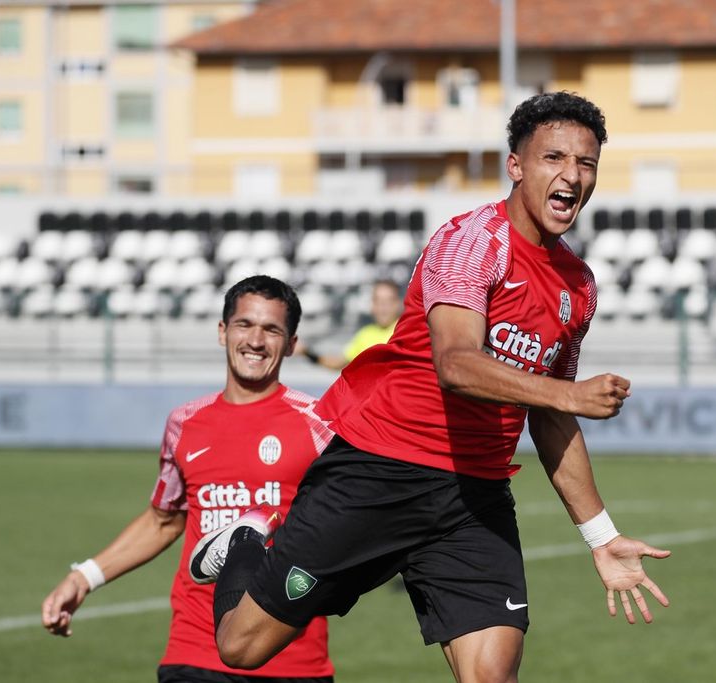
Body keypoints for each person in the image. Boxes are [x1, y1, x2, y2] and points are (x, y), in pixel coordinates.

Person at [189, 91, 670, 682]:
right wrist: (568, 393)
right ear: (516, 165)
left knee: (492, 675)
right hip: (382, 468)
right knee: (241, 647)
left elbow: (549, 416)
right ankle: (244, 542)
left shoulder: (579, 285)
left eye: (586, 163)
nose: (572, 175)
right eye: (554, 158)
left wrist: (601, 536)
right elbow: (457, 364)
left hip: (475, 497)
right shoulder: (472, 242)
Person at [40, 275, 335, 683]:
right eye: (244, 324)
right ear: (222, 331)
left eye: (271, 329)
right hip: (195, 653)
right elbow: (163, 520)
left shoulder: (320, 424)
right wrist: (83, 577)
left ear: (290, 344)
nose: (255, 340)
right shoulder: (185, 423)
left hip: (291, 656)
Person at [296, 279, 403, 370]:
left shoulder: (406, 331)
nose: (383, 308)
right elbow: (338, 363)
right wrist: (307, 353)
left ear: (398, 303)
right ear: (372, 305)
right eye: (378, 301)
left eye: (388, 302)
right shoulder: (365, 335)